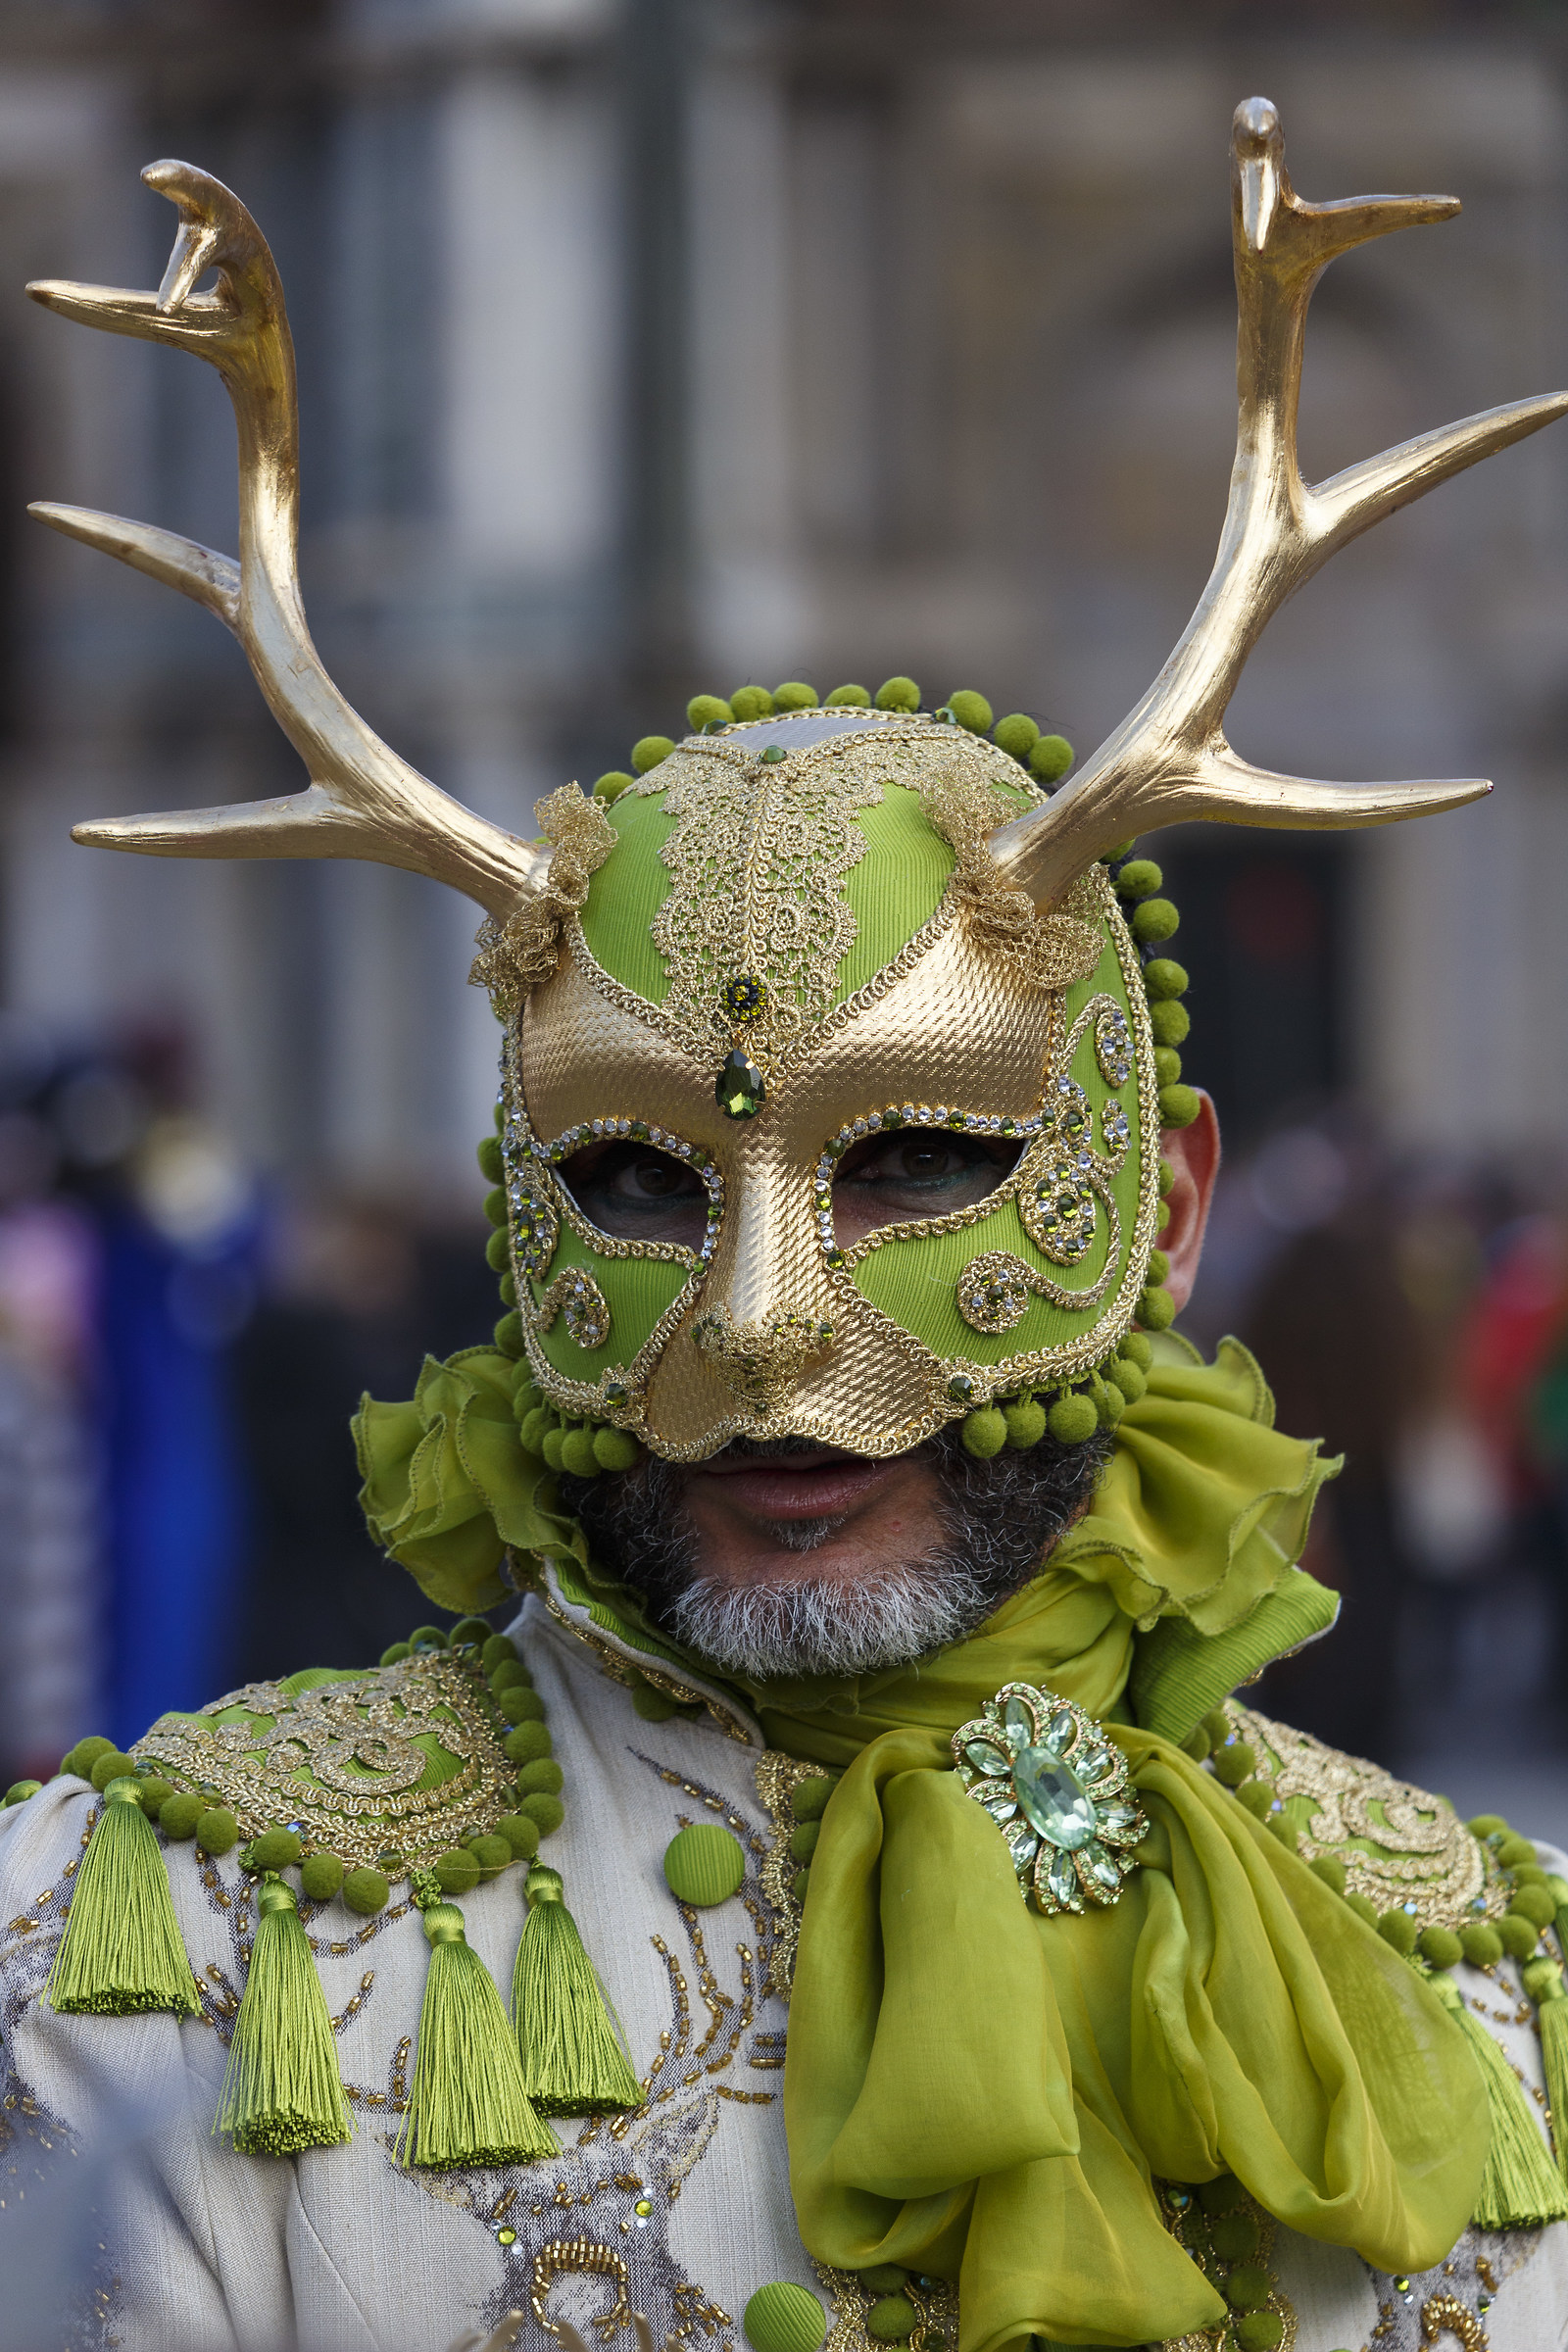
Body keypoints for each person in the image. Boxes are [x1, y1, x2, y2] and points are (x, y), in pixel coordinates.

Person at [2, 96, 1566, 2352]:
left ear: (1169, 1210)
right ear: (512, 1201)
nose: (754, 1331)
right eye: (634, 1177)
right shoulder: (152, 1963)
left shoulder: (1490, 1994)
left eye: (919, 1157)